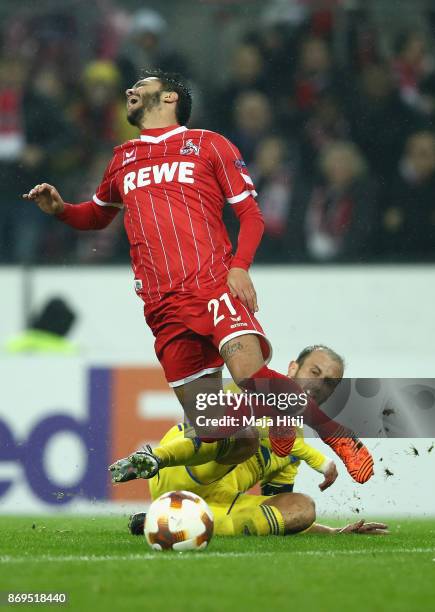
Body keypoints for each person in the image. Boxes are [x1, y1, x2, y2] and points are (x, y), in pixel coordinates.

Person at [23, 70, 373, 481]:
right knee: (217, 430)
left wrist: (239, 266)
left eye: (143, 85)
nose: (130, 90)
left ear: (170, 98)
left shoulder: (209, 144)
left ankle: (336, 434)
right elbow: (98, 215)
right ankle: (211, 489)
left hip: (211, 284)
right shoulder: (123, 158)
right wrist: (62, 210)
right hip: (162, 306)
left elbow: (251, 215)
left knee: (251, 377)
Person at [109, 345, 373, 488]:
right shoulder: (248, 385)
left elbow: (278, 500)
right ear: (293, 367)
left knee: (301, 509)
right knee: (246, 435)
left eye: (329, 383)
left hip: (213, 500)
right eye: (314, 372)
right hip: (181, 462)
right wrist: (322, 461)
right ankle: (153, 459)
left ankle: (156, 519)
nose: (318, 385)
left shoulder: (296, 439)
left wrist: (333, 532)